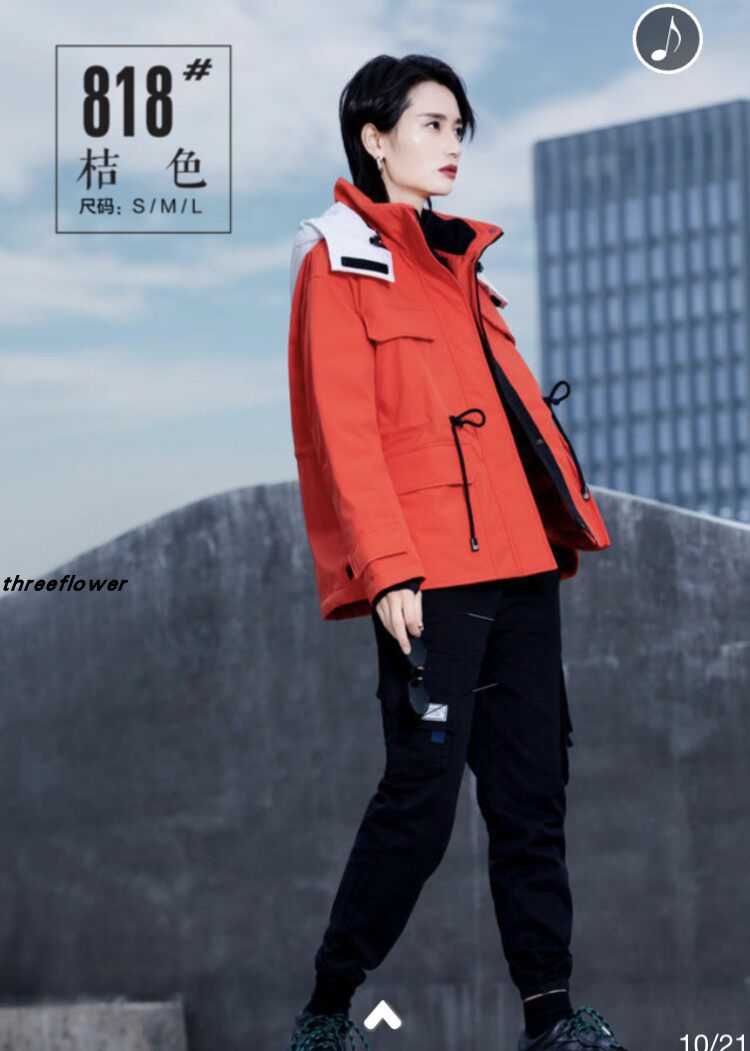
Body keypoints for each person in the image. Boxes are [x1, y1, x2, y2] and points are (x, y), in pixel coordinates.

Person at [286, 53, 626, 1051]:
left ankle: (551, 1018)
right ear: (374, 138)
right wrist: (387, 566)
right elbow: (343, 432)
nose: (451, 146)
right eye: (431, 125)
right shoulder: (339, 262)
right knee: (422, 804)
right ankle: (327, 1009)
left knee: (532, 798)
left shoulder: (466, 269)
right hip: (432, 576)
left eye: (458, 129)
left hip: (522, 568)